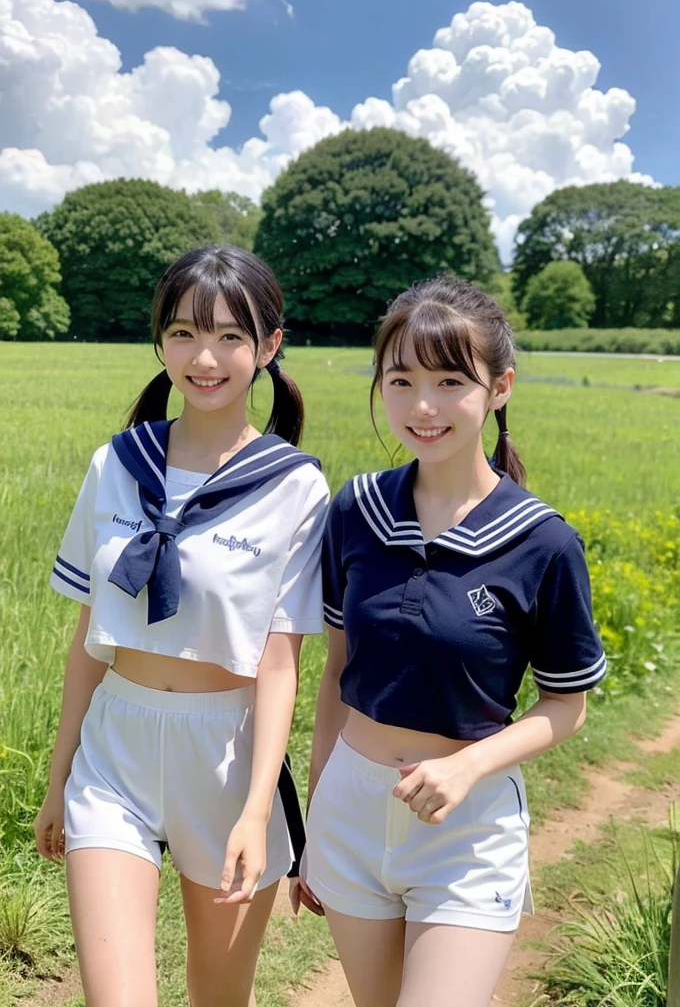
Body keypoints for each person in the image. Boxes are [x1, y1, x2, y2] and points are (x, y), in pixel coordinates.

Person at [296, 276, 606, 1007]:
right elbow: (335, 675)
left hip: (466, 827)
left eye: (449, 380)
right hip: (349, 811)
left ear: (499, 386)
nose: (423, 406)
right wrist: (316, 821)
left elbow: (568, 704)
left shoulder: (542, 541)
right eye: (400, 380)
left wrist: (468, 769)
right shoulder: (356, 510)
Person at [34, 245, 329, 1007]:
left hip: (226, 759)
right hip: (116, 748)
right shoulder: (116, 464)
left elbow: (278, 662)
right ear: (160, 343)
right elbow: (89, 638)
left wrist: (260, 808)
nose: (206, 357)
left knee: (219, 996)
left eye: (231, 336)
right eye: (184, 334)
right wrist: (59, 772)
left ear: (269, 345)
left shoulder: (293, 486)